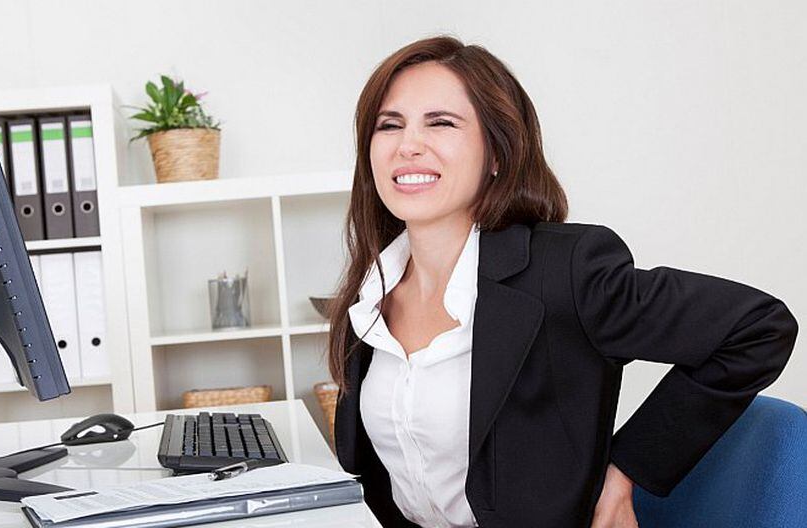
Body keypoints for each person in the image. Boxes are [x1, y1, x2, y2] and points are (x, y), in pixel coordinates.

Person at [327, 35, 799, 528]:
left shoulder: (566, 272)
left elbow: (758, 326)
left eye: (441, 122)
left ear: (498, 153)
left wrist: (628, 470)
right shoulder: (371, 291)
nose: (408, 145)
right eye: (389, 125)